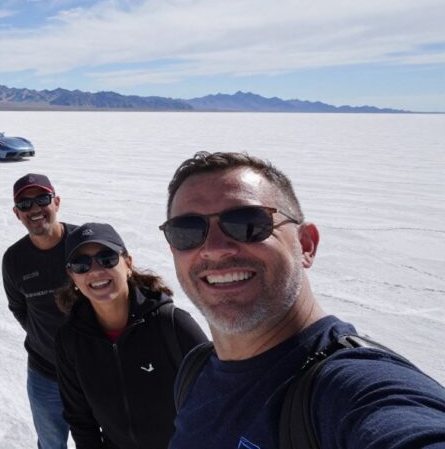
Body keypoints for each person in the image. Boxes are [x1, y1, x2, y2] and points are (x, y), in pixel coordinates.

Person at [162, 151, 445, 448]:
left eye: (248, 223)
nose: (216, 249)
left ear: (306, 245)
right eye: (187, 232)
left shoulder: (348, 388)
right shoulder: (197, 370)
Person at [54, 222, 208, 449]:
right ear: (73, 276)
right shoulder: (70, 341)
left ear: (127, 263)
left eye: (106, 258)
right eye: (81, 264)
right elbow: (80, 418)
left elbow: (217, 399)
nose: (95, 271)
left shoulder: (172, 325)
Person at [2, 173, 77, 449]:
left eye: (42, 199)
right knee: (50, 443)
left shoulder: (83, 244)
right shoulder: (14, 259)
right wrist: (43, 335)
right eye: (24, 204)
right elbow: (18, 307)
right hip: (45, 374)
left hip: (95, 370)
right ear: (17, 213)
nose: (34, 209)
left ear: (56, 202)